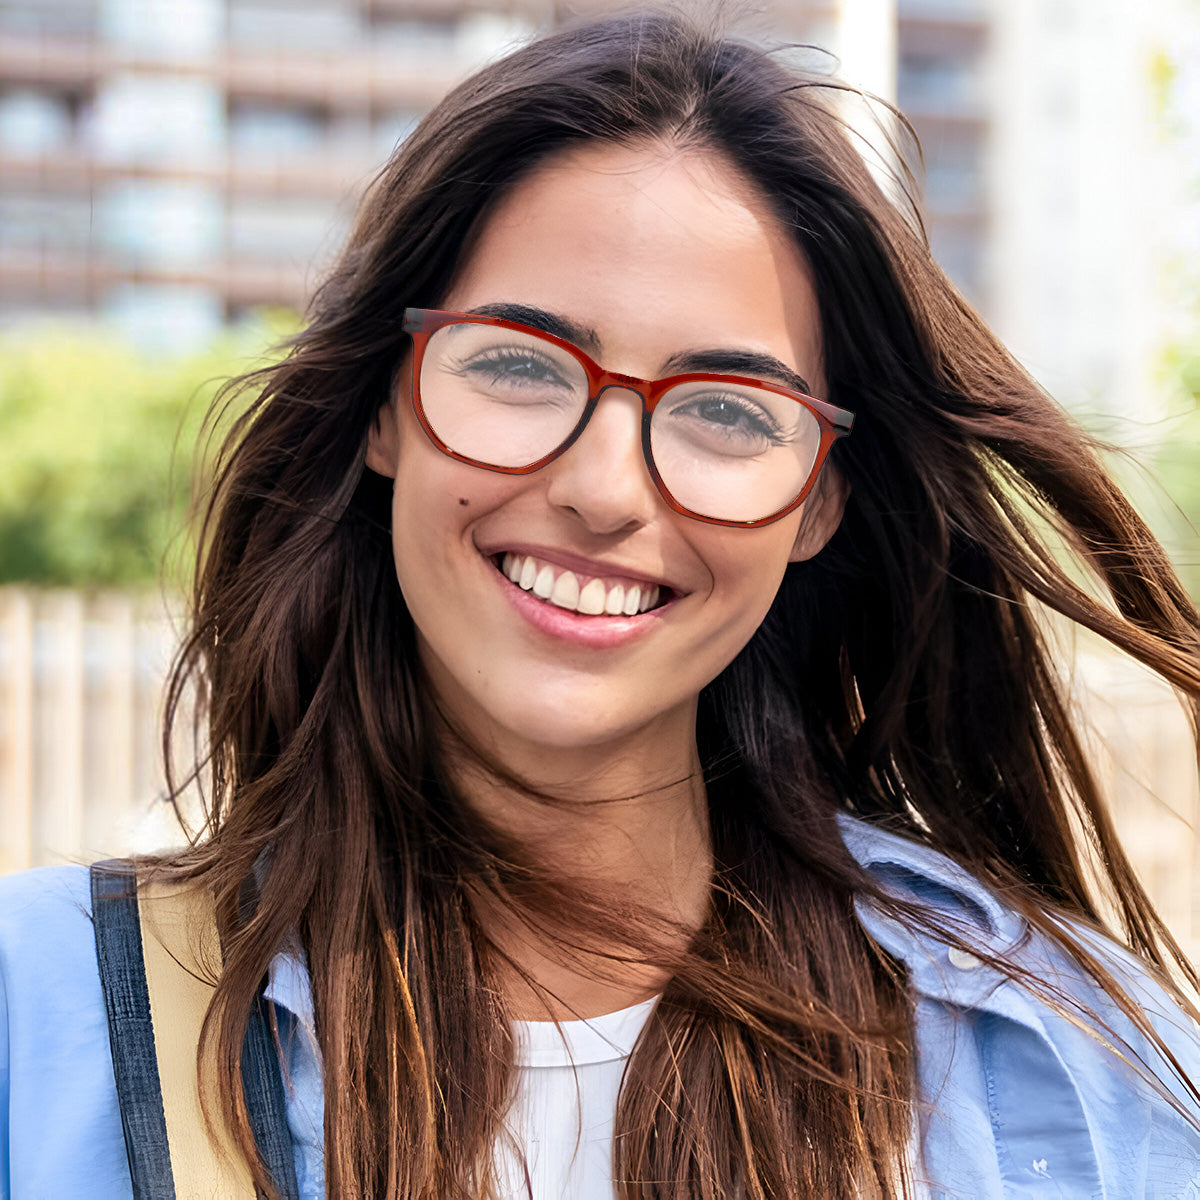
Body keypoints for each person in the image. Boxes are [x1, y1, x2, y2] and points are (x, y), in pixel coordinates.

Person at [2, 7, 1199, 1199]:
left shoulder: (1067, 1062)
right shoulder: (41, 1016)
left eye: (727, 408)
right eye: (520, 365)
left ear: (820, 501)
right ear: (384, 407)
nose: (603, 490)